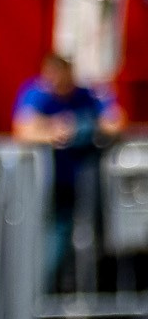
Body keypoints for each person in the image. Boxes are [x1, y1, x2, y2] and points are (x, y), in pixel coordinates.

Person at [13, 50, 123, 290]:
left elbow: (115, 122)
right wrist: (52, 131)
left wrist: (84, 127)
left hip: (88, 190)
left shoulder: (87, 94)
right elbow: (22, 128)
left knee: (94, 245)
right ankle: (43, 299)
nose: (55, 78)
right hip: (49, 191)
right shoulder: (37, 93)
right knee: (52, 247)